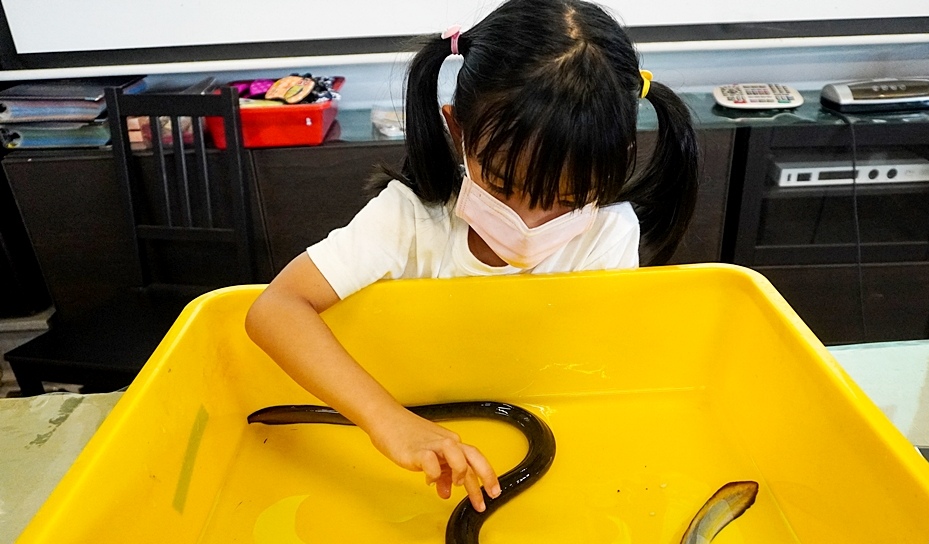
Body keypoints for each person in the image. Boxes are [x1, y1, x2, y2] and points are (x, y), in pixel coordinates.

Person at [244, 0, 699, 513]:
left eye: (569, 201)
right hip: (402, 464)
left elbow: (599, 368)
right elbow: (276, 309)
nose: (529, 223)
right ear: (458, 130)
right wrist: (388, 420)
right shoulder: (409, 219)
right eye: (503, 187)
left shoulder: (608, 233)